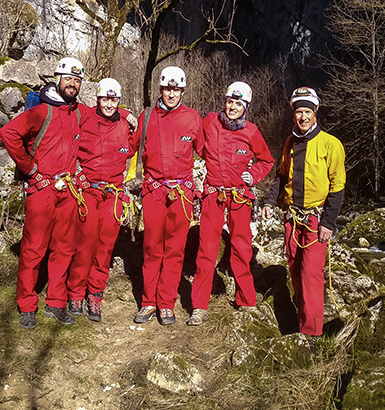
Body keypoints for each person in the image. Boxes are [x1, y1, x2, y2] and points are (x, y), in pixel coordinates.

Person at [0, 56, 86, 328]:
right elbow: (8, 134)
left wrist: (128, 115)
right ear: (58, 80)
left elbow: (105, 118)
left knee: (64, 248)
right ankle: (27, 305)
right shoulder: (41, 111)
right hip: (42, 189)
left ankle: (56, 303)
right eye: (68, 79)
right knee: (34, 249)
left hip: (68, 189)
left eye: (77, 80)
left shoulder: (79, 112)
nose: (72, 84)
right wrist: (30, 169)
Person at [187, 82, 274, 326]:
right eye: (230, 102)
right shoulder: (210, 122)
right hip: (214, 194)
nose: (233, 107)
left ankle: (246, 300)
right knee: (207, 250)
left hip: (239, 197)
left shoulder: (252, 132)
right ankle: (199, 306)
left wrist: (253, 175)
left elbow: (266, 160)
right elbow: (197, 143)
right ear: (225, 101)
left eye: (238, 104)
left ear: (246, 107)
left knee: (241, 248)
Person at [263, 87, 345, 344]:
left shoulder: (331, 145)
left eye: (307, 111)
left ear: (315, 112)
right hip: (292, 217)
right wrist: (268, 202)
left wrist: (328, 223)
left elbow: (338, 186)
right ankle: (302, 317)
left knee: (311, 273)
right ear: (293, 113)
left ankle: (312, 334)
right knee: (296, 269)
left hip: (315, 219)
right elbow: (282, 175)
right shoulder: (290, 143)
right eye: (299, 111)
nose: (303, 116)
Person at [130, 66, 203, 325]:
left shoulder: (193, 118)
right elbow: (129, 146)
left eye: (176, 89)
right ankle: (149, 302)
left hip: (181, 192)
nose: (171, 93)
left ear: (182, 90)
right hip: (154, 189)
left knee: (175, 248)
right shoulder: (147, 116)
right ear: (160, 89)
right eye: (167, 88)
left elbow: (207, 150)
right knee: (151, 246)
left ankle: (166, 303)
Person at [66, 78, 136, 321]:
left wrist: (126, 114)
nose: (109, 104)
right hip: (88, 191)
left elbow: (138, 146)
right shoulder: (85, 119)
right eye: (105, 99)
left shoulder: (126, 126)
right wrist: (77, 174)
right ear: (97, 99)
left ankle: (95, 295)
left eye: (114, 99)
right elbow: (70, 143)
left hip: (113, 193)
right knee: (84, 244)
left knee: (105, 246)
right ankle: (75, 291)